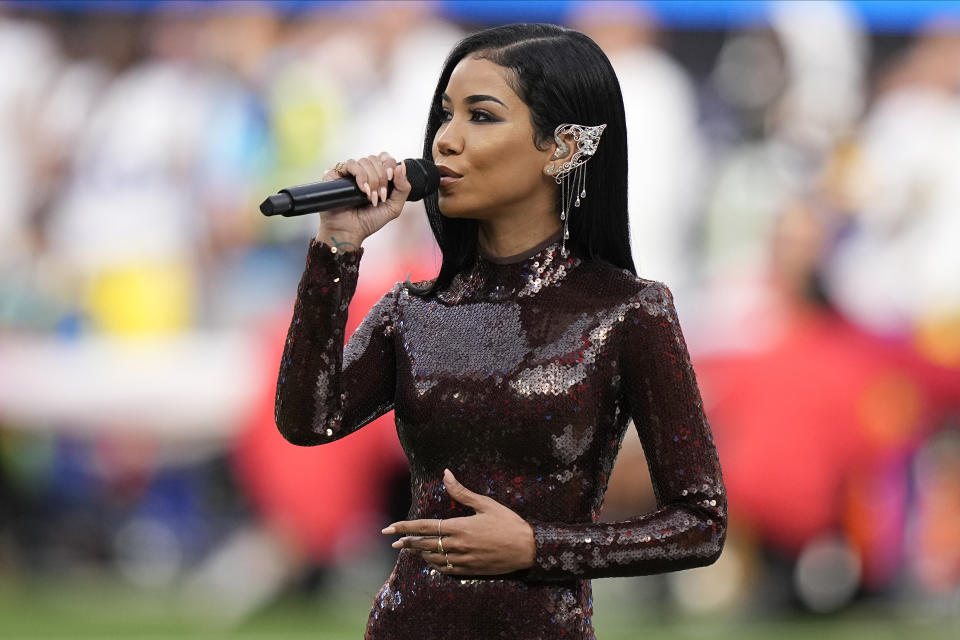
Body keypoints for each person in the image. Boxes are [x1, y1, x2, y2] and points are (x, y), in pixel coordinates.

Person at [274, 23, 726, 639]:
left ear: (564, 148)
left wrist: (536, 546)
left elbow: (700, 523)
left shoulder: (628, 312)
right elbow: (307, 421)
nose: (446, 142)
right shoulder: (412, 310)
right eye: (444, 116)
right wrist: (336, 249)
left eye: (480, 117)